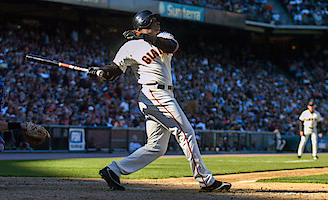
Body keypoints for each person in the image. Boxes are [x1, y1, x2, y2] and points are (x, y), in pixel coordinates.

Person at [88, 10, 231, 192]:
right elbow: (115, 70)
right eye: (154, 20)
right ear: (145, 23)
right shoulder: (129, 46)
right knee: (186, 132)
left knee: (156, 147)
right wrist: (101, 72)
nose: (158, 23)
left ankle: (113, 170)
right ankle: (205, 180)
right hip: (153, 93)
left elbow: (171, 46)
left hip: (165, 94)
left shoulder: (163, 36)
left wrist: (146, 38)